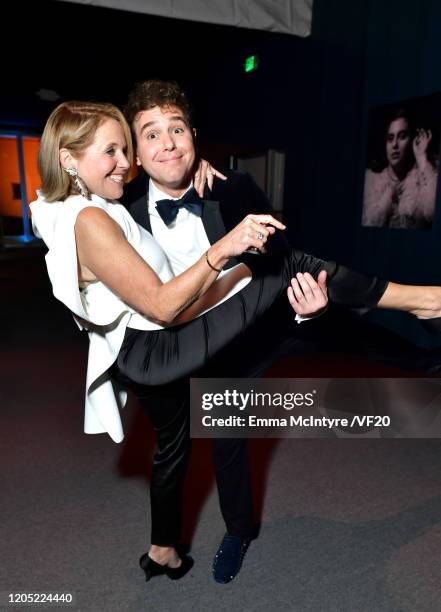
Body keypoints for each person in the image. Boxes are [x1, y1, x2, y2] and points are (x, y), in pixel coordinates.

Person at [31, 100, 441, 585]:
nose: (167, 144)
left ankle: (424, 355)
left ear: (194, 137)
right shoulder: (119, 204)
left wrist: (306, 308)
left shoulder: (231, 188)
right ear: (137, 152)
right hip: (169, 338)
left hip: (244, 334)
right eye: (149, 136)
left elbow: (286, 268)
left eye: (178, 130)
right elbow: (147, 295)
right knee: (195, 443)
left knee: (329, 325)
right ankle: (238, 532)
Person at [362, 107, 438, 228]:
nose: (395, 144)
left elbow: (432, 211)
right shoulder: (370, 179)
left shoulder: (423, 178)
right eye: (390, 138)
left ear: (413, 140)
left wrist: (422, 158)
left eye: (402, 136)